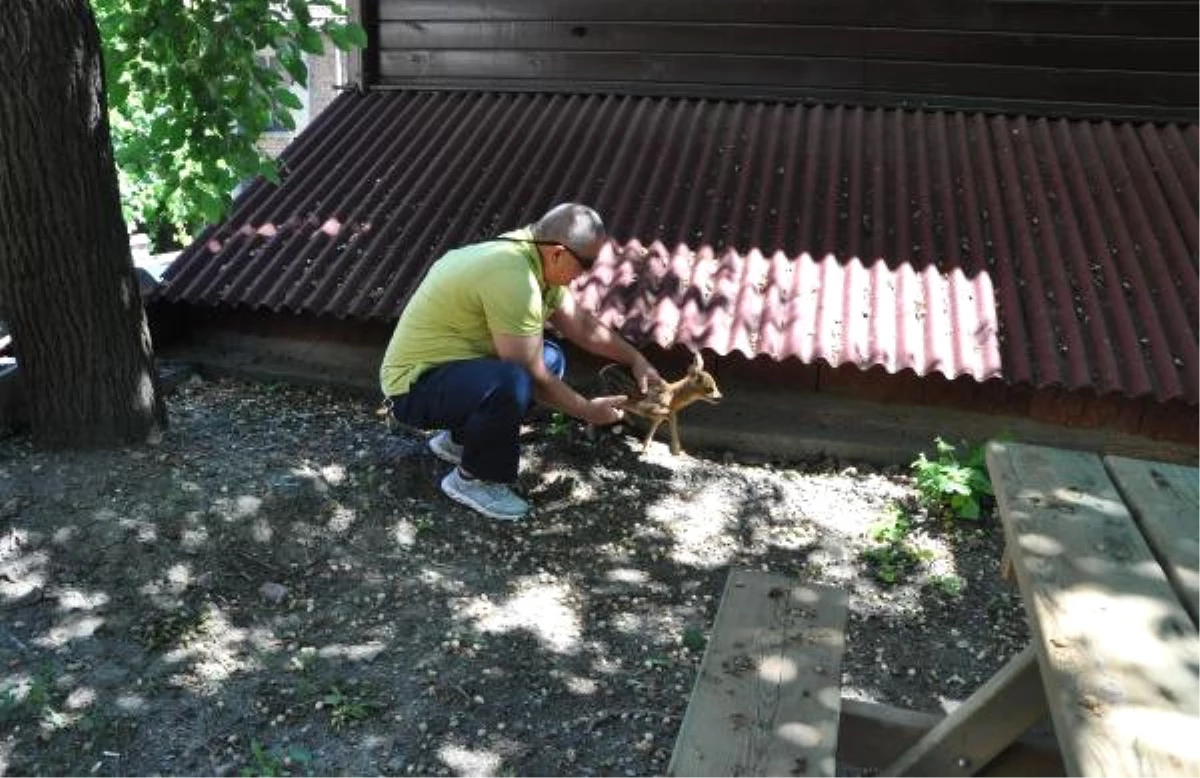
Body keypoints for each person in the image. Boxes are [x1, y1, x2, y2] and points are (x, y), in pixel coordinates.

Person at [380, 203, 662, 521]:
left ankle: (459, 442)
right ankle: (474, 480)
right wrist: (588, 411)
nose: (587, 273)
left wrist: (636, 358)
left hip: (451, 373)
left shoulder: (531, 255)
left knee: (550, 357)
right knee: (513, 381)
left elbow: (581, 325)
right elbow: (532, 376)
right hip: (412, 389)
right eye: (586, 263)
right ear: (558, 252)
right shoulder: (513, 276)